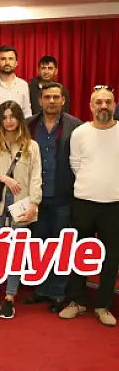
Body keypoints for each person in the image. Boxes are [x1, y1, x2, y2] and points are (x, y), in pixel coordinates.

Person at [0, 100, 42, 319]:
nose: (9, 121)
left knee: (16, 251)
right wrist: (3, 178)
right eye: (4, 117)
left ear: (19, 118)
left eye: (12, 116)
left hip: (21, 203)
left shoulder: (31, 146)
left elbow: (36, 178)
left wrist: (34, 204)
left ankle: (10, 296)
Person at [61, 85, 119, 327]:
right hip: (84, 201)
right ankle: (77, 302)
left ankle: (103, 305)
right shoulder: (80, 133)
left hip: (114, 204)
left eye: (108, 102)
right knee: (80, 255)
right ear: (91, 106)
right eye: (99, 102)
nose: (103, 106)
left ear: (114, 105)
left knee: (111, 258)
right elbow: (75, 164)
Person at [23, 83, 81, 312]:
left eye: (56, 97)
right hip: (35, 198)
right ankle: (41, 289)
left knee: (60, 246)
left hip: (62, 196)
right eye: (47, 97)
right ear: (40, 100)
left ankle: (58, 293)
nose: (52, 101)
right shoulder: (28, 125)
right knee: (38, 245)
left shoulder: (76, 126)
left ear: (63, 100)